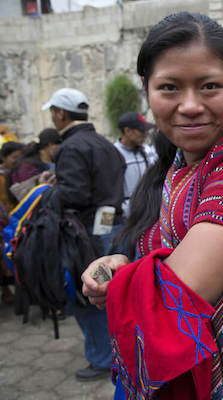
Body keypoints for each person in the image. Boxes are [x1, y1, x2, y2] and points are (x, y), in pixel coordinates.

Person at [80, 12, 223, 399]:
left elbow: (187, 286)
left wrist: (123, 281)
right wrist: (120, 264)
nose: (189, 105)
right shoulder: (179, 168)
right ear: (147, 91)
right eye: (169, 87)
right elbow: (166, 257)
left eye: (209, 86)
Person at [41, 87, 126, 381]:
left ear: (60, 113)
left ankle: (103, 358)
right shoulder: (104, 143)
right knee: (112, 294)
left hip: (88, 235)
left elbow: (75, 194)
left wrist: (49, 191)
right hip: (112, 228)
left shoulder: (71, 147)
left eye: (53, 112)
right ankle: (117, 351)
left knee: (89, 294)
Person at [113, 111, 157, 219]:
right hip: (125, 218)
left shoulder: (147, 152)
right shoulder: (113, 153)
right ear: (127, 131)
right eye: (141, 131)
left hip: (148, 214)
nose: (145, 134)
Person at [0, 141, 24, 304]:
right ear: (5, 157)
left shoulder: (15, 172)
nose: (17, 161)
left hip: (13, 219)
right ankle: (7, 290)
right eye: (14, 157)